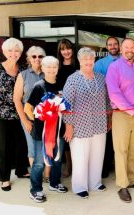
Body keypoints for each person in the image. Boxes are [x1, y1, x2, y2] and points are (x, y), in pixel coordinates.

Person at [106, 38, 134, 203]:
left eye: (132, 47)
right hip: (122, 114)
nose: (129, 50)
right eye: (126, 47)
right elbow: (114, 94)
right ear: (121, 49)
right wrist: (132, 112)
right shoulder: (114, 67)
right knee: (121, 150)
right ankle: (122, 185)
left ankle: (132, 179)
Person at [63, 47, 109, 199]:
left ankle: (95, 183)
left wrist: (110, 119)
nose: (88, 61)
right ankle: (80, 186)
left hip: (99, 124)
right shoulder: (73, 79)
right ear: (80, 61)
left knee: (97, 154)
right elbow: (66, 105)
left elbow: (107, 101)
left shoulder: (101, 77)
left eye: (91, 59)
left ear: (94, 60)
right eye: (85, 59)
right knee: (80, 157)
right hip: (80, 125)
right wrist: (68, 126)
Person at [0, 37, 30, 191]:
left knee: (21, 143)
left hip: (20, 113)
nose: (13, 53)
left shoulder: (24, 69)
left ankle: (21, 170)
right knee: (4, 146)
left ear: (20, 52)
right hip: (1, 114)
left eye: (17, 50)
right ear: (5, 52)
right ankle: (4, 178)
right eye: (10, 50)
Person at [25, 56, 68, 203]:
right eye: (48, 67)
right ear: (42, 69)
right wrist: (37, 119)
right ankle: (35, 189)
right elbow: (28, 108)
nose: (51, 70)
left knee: (57, 159)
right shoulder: (39, 86)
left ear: (57, 68)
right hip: (41, 133)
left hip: (58, 131)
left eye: (54, 67)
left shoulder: (62, 85)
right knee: (39, 162)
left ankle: (54, 183)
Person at [13, 46, 45, 168]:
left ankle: (46, 175)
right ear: (29, 59)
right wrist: (25, 121)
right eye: (34, 56)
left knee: (45, 146)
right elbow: (17, 99)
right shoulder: (23, 75)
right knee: (33, 149)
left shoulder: (48, 73)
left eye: (40, 56)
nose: (37, 59)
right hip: (29, 117)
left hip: (47, 117)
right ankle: (35, 178)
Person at [94, 36, 120, 178]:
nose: (113, 47)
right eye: (110, 45)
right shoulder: (100, 64)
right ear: (106, 47)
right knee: (107, 138)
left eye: (115, 44)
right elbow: (97, 86)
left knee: (120, 137)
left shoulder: (124, 62)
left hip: (122, 107)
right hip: (105, 105)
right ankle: (105, 167)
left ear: (119, 46)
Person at [56, 38, 78, 178]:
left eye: (68, 48)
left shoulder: (78, 64)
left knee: (76, 135)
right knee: (65, 135)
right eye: (63, 49)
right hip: (62, 104)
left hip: (79, 104)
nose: (66, 51)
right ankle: (68, 166)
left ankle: (77, 166)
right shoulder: (57, 66)